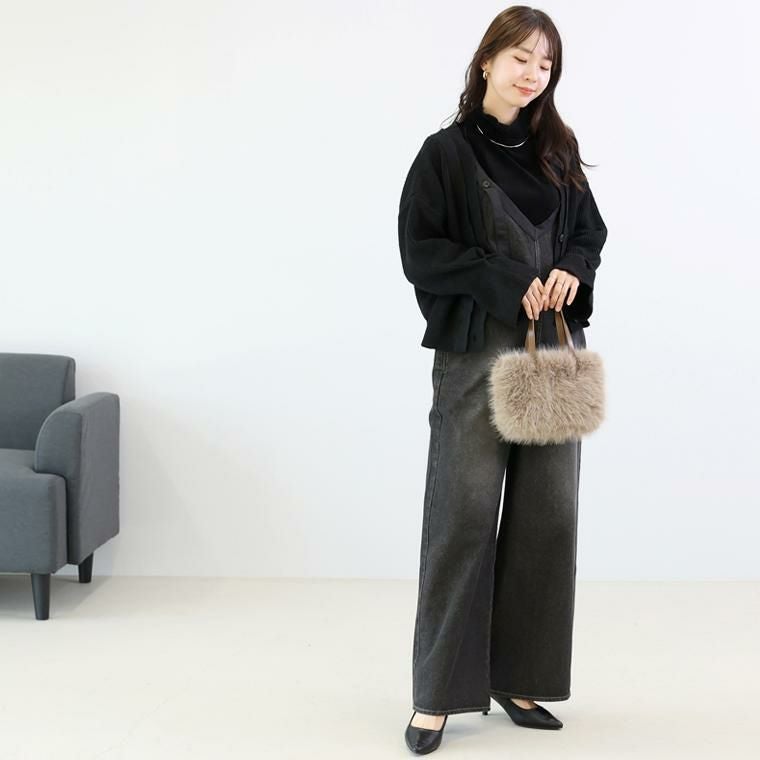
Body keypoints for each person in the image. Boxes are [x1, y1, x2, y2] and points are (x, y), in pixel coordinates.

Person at [397, 6, 608, 755]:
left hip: (552, 350)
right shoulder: (445, 155)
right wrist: (507, 279)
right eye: (521, 57)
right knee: (462, 515)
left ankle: (519, 678)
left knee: (550, 514)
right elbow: (421, 251)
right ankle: (437, 694)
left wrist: (571, 269)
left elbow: (590, 233)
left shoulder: (558, 151)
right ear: (486, 60)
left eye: (545, 64)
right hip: (476, 354)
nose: (532, 74)